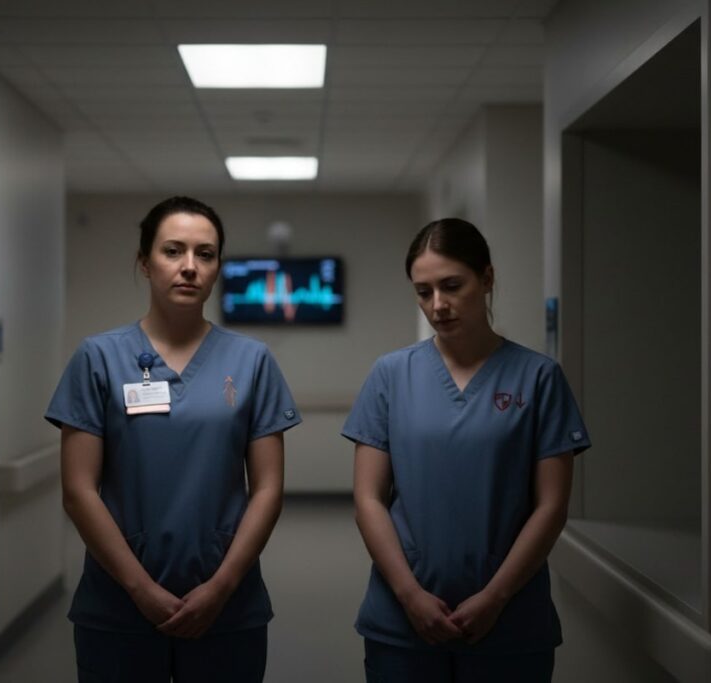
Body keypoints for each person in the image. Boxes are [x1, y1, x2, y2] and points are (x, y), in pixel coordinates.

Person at [46, 196, 301, 682]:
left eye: (205, 254)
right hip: (118, 605)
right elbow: (79, 491)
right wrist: (140, 588)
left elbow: (267, 489)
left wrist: (222, 587)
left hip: (227, 605)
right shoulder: (98, 359)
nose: (189, 267)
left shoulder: (252, 361)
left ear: (218, 267)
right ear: (144, 262)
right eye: (173, 251)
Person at [342, 218, 590, 683]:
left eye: (452, 286)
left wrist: (495, 597)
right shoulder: (390, 375)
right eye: (424, 291)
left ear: (488, 278)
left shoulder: (538, 378)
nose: (438, 305)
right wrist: (410, 595)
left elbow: (552, 506)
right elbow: (368, 499)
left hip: (510, 616)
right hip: (402, 616)